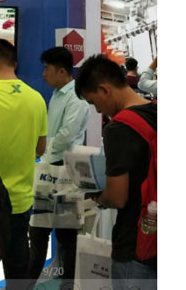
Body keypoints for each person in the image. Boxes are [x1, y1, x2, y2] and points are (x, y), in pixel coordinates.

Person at [75, 54, 157, 290]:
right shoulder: (156, 109)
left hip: (135, 244)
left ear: (104, 89)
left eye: (94, 102)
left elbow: (117, 197)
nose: (97, 109)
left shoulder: (119, 128)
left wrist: (98, 197)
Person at [0, 39, 47, 290]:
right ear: (15, 64)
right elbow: (40, 149)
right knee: (17, 273)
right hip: (20, 202)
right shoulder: (37, 99)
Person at [27, 47, 91, 288]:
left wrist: (43, 150)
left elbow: (66, 135)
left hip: (66, 173)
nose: (43, 74)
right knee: (39, 233)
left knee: (67, 237)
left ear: (62, 71)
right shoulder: (56, 95)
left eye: (47, 68)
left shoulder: (77, 98)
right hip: (48, 170)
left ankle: (68, 285)